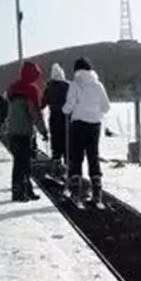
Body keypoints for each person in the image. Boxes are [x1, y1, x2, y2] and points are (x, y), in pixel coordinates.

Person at [62, 57, 111, 204]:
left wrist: (65, 110)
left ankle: (76, 191)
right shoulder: (98, 85)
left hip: (78, 124)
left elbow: (69, 106)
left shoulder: (75, 85)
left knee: (77, 156)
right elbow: (106, 107)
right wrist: (95, 112)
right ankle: (97, 191)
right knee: (93, 155)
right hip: (94, 125)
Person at [5, 61, 48, 202]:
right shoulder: (31, 90)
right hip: (23, 132)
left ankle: (27, 190)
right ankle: (18, 193)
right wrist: (43, 131)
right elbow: (35, 113)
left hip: (12, 131)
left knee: (22, 162)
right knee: (22, 163)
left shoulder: (12, 88)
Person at [41, 63, 71, 177]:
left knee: (56, 145)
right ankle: (69, 171)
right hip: (67, 119)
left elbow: (42, 103)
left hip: (54, 119)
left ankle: (56, 169)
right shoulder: (68, 86)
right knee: (67, 145)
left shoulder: (49, 88)